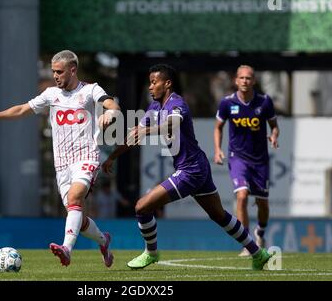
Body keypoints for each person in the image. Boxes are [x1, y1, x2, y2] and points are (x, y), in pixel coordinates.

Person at [102, 64, 273, 270]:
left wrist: (149, 131)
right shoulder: (154, 108)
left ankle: (151, 253)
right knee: (219, 215)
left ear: (167, 84)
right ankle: (258, 252)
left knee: (142, 207)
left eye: (154, 82)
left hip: (191, 169)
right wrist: (112, 157)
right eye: (149, 82)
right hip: (196, 166)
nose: (150, 87)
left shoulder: (177, 103)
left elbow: (172, 124)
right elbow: (134, 135)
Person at [0, 50, 120, 267]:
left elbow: (112, 105)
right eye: (53, 71)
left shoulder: (90, 90)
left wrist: (110, 114)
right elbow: (23, 109)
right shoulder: (51, 94)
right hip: (62, 164)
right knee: (77, 217)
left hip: (86, 156)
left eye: (59, 71)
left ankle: (66, 249)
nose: (55, 76)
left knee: (75, 197)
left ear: (73, 69)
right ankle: (103, 240)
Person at [214, 65, 280, 257]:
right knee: (241, 196)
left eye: (248, 78)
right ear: (236, 80)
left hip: (260, 161)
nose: (245, 81)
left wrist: (274, 136)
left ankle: (260, 232)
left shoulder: (264, 102)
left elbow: (274, 126)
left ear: (254, 81)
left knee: (262, 203)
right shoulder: (227, 103)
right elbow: (218, 127)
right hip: (238, 158)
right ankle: (248, 244)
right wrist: (218, 149)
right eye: (241, 78)